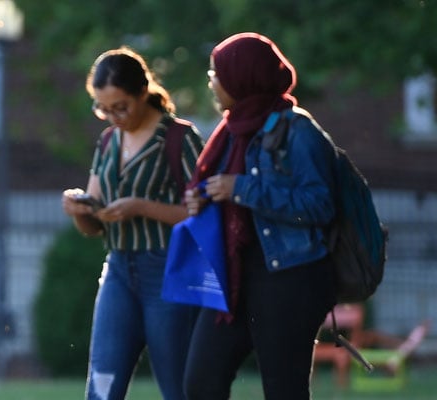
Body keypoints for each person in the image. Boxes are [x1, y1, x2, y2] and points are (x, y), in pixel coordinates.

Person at [180, 33, 339, 399]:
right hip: (235, 276)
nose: (211, 81)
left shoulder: (298, 131)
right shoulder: (229, 131)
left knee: (284, 391)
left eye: (218, 73)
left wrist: (240, 189)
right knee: (201, 383)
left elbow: (320, 205)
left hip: (289, 276)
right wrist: (204, 199)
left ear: (243, 77)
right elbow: (224, 193)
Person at [59, 47, 205, 400]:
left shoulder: (179, 138)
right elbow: (94, 227)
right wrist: (80, 209)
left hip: (168, 270)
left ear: (142, 92)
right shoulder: (109, 140)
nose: (113, 117)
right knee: (102, 385)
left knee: (178, 388)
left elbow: (203, 214)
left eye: (120, 107)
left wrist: (141, 207)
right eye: (103, 109)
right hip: (119, 270)